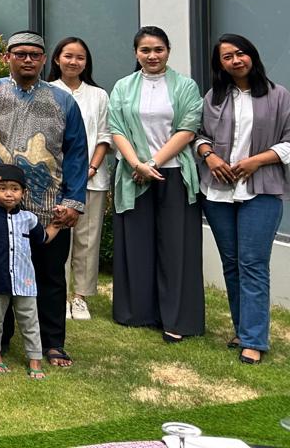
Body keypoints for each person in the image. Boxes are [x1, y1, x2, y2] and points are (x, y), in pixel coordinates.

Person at [0, 31, 87, 369]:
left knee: (50, 275)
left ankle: (52, 343)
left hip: (48, 206)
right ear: (7, 57)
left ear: (44, 60)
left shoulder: (63, 101)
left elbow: (76, 153)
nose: (28, 59)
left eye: (34, 54)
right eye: (20, 53)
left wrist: (74, 200)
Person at [196, 34, 290, 366]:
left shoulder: (278, 96)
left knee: (253, 263)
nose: (236, 60)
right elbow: (199, 135)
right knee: (232, 263)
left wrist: (257, 161)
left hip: (261, 190)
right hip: (218, 192)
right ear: (220, 64)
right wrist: (209, 156)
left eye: (240, 53)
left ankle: (253, 340)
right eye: (227, 57)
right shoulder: (213, 97)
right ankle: (242, 329)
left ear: (252, 55)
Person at [108, 26, 205, 343]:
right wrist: (137, 164)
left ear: (168, 51)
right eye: (145, 50)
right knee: (135, 243)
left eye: (158, 49)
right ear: (136, 53)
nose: (152, 56)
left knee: (176, 247)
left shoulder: (186, 86)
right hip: (132, 173)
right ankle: (136, 312)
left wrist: (152, 163)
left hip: (174, 172)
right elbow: (116, 128)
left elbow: (188, 129)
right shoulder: (123, 86)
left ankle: (177, 318)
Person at [0, 164, 63, 379]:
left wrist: (58, 223)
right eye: (2, 188)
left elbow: (44, 238)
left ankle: (35, 359)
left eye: (15, 189)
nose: (9, 194)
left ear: (23, 192)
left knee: (30, 321)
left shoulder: (29, 218)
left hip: (25, 281)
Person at [47, 36, 111, 322]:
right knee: (58, 237)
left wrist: (90, 168)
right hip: (54, 180)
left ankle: (80, 297)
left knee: (87, 239)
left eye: (80, 57)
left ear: (87, 62)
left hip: (92, 179)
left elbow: (105, 136)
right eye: (68, 56)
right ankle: (58, 295)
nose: (74, 62)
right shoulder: (47, 91)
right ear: (57, 59)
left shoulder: (98, 95)